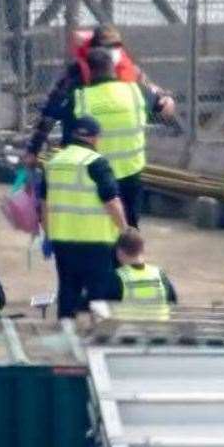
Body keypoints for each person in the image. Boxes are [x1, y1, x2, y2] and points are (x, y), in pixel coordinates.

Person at [31, 48, 174, 228]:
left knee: (94, 228)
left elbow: (49, 116)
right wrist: (163, 97)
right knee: (128, 230)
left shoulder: (79, 98)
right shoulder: (135, 91)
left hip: (90, 176)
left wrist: (33, 149)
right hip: (129, 175)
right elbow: (167, 109)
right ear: (113, 69)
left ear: (89, 72)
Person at [24, 24, 173, 166]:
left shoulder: (129, 71)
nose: (111, 52)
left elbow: (156, 98)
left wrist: (163, 99)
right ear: (94, 49)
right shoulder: (75, 76)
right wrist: (34, 149)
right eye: (106, 47)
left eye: (115, 47)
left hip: (118, 157)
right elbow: (51, 113)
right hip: (80, 154)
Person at [39, 116, 127, 318]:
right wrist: (124, 230)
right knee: (98, 297)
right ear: (95, 139)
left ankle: (65, 334)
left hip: (63, 241)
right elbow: (111, 202)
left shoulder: (53, 163)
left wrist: (48, 234)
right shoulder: (96, 163)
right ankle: (98, 338)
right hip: (96, 243)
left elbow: (44, 204)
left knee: (68, 291)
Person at [115, 227, 178, 310]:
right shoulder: (159, 274)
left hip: (128, 323)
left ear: (120, 252)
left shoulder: (116, 277)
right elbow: (173, 302)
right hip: (160, 323)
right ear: (142, 250)